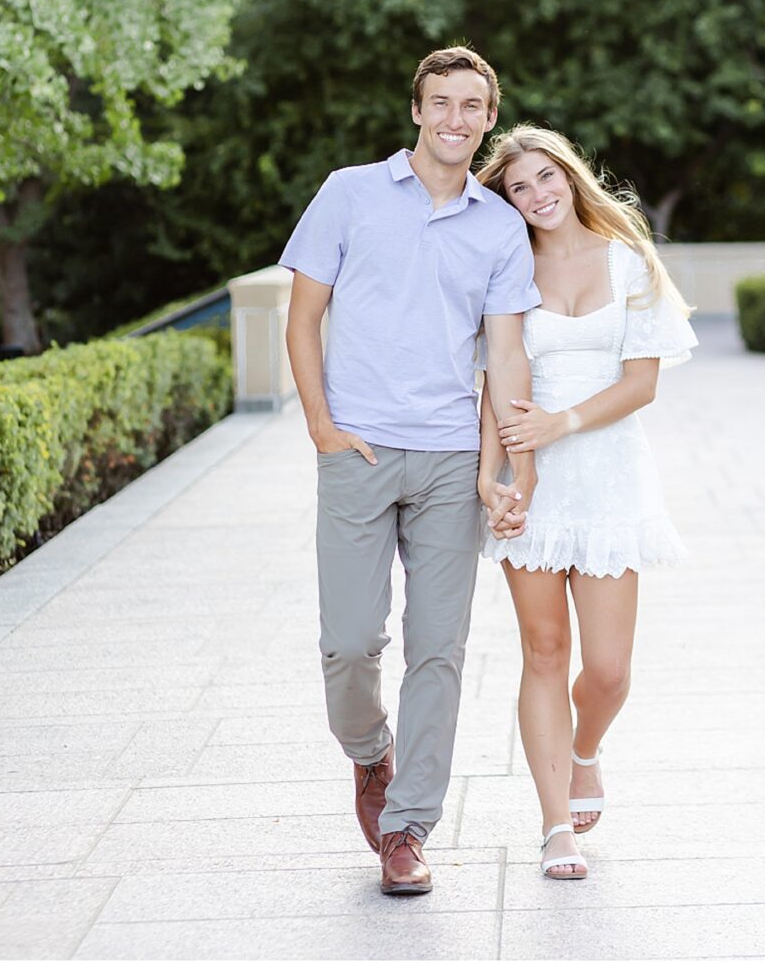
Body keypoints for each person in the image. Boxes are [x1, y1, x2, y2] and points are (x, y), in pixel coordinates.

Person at [279, 48, 541, 898]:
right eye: (441, 103)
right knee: (349, 642)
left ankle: (408, 827)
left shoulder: (499, 228)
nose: (456, 119)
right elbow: (304, 315)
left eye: (472, 106)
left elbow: (505, 354)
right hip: (355, 451)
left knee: (440, 648)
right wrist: (321, 425)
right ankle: (369, 755)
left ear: (488, 117)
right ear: (416, 112)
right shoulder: (349, 193)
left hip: (447, 459)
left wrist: (510, 467)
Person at [475, 125, 698, 881]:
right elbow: (498, 379)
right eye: (519, 187)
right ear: (506, 201)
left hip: (607, 477)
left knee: (605, 670)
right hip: (529, 481)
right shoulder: (507, 268)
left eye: (547, 178)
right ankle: (552, 828)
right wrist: (504, 470)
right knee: (543, 653)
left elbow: (642, 383)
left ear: (571, 178)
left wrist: (560, 422)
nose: (537, 195)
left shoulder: (627, 260)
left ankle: (585, 752)